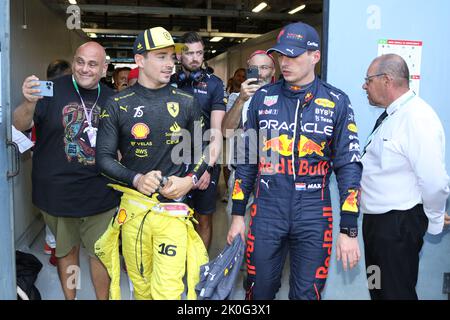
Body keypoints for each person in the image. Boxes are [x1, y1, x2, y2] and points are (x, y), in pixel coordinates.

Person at [227, 22, 363, 300]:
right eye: (281, 56)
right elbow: (246, 161)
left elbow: (349, 165)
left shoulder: (337, 100)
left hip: (314, 212)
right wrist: (238, 215)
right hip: (267, 209)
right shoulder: (262, 99)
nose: (285, 62)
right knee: (258, 289)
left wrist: (349, 228)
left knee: (307, 293)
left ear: (315, 56)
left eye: (294, 55)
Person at [95, 26, 209, 300]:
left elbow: (205, 149)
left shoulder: (187, 101)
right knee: (142, 289)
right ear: (139, 60)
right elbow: (103, 159)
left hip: (173, 212)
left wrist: (189, 180)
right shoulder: (116, 104)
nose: (170, 63)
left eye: (172, 56)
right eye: (161, 56)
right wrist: (136, 179)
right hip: (134, 213)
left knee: (168, 290)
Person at [13, 42, 120, 300]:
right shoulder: (49, 91)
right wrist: (29, 102)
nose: (84, 69)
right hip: (57, 193)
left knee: (100, 252)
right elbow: (18, 125)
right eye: (79, 61)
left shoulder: (113, 99)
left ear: (104, 69)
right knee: (67, 251)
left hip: (100, 192)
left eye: (92, 64)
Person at [361, 53, 450, 300]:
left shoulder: (417, 117)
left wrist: (432, 219)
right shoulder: (392, 116)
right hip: (376, 225)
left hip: (396, 228)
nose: (364, 86)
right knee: (377, 288)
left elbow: (434, 180)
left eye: (368, 80)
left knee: (395, 293)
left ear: (386, 80)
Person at [171, 31, 226, 250]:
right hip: (173, 162)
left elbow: (216, 131)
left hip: (204, 161)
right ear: (179, 56)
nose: (195, 58)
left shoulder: (214, 84)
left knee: (204, 218)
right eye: (189, 53)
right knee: (175, 218)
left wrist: (206, 168)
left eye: (199, 53)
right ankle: (176, 268)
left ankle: (198, 272)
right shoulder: (169, 82)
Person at [222, 50, 276, 220]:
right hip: (241, 175)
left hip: (274, 175)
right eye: (254, 68)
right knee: (237, 234)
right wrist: (241, 100)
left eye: (264, 68)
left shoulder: (283, 97)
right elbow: (226, 131)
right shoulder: (236, 97)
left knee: (269, 234)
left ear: (273, 71)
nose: (259, 73)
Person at [41, 59, 72, 266]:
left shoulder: (42, 95)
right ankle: (61, 246)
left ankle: (52, 244)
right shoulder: (44, 98)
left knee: (50, 204)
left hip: (47, 161)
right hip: (57, 161)